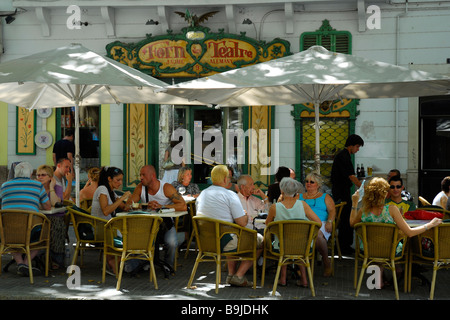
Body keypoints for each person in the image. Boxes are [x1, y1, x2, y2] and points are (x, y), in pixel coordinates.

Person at [349, 177, 442, 286]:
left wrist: (354, 204)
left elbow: (352, 223)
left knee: (379, 244)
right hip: (390, 251)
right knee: (402, 243)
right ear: (385, 194)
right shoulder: (392, 209)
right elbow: (410, 233)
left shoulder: (363, 210)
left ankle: (379, 280)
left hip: (368, 249)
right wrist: (430, 225)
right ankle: (399, 273)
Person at [196, 164, 263, 287]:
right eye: (229, 178)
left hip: (206, 242)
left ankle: (231, 275)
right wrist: (245, 214)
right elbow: (242, 223)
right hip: (225, 241)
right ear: (225, 179)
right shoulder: (230, 195)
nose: (230, 181)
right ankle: (238, 276)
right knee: (260, 241)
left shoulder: (202, 194)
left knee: (231, 234)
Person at [127, 165, 186, 269]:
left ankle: (168, 266)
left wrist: (162, 206)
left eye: (143, 175)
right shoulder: (140, 188)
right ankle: (142, 263)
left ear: (153, 176)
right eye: (140, 175)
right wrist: (145, 205)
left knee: (172, 243)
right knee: (136, 241)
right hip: (147, 226)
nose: (141, 177)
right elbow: (128, 206)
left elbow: (183, 205)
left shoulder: (166, 188)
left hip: (165, 224)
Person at [265, 177, 321, 287]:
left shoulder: (275, 207)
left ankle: (283, 279)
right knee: (297, 246)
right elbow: (318, 222)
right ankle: (304, 280)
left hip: (281, 246)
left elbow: (268, 224)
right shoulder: (303, 205)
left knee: (285, 243)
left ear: (282, 191)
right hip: (302, 246)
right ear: (296, 191)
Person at [0, 161, 51, 276]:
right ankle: (26, 264)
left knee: (10, 237)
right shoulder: (37, 185)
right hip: (31, 231)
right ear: (31, 174)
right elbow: (47, 207)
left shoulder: (4, 186)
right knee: (44, 233)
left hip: (8, 232)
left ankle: (20, 263)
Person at [91, 167, 131, 275]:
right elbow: (106, 211)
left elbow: (124, 207)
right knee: (129, 238)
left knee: (130, 234)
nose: (120, 183)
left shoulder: (111, 192)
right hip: (101, 229)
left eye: (121, 180)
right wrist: (122, 198)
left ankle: (115, 262)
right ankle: (113, 262)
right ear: (109, 179)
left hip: (108, 227)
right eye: (118, 180)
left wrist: (135, 205)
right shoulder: (102, 189)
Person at [330, 134, 364, 255]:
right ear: (352, 145)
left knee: (345, 218)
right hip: (341, 192)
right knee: (346, 218)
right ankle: (344, 246)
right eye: (357, 146)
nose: (358, 149)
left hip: (341, 191)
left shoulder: (343, 156)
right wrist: (363, 187)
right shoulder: (344, 156)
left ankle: (344, 244)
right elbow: (351, 176)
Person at [299, 172, 336, 277]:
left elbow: (332, 211)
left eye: (312, 182)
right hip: (303, 223)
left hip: (321, 223)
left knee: (318, 234)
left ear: (318, 185)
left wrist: (329, 222)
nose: (308, 184)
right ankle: (297, 266)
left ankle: (326, 261)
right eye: (306, 181)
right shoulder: (299, 196)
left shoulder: (325, 196)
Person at [36, 164, 66, 269]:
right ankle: (39, 257)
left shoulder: (57, 188)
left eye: (43, 175)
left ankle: (55, 259)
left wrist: (51, 188)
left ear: (50, 177)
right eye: (38, 175)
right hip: (39, 217)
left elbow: (54, 203)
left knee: (54, 224)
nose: (40, 177)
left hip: (55, 217)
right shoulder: (35, 188)